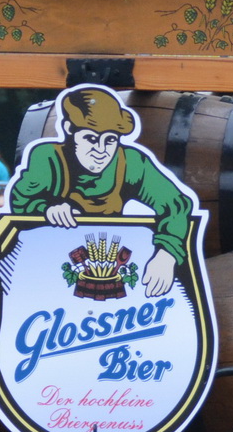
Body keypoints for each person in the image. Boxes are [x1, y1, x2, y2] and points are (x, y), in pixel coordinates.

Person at [11, 87, 194, 298]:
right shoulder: (48, 159)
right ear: (69, 129)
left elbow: (176, 204)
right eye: (90, 138)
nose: (100, 150)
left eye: (110, 140)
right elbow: (20, 202)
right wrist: (46, 208)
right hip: (51, 267)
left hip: (112, 266)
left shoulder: (131, 163)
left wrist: (167, 254)